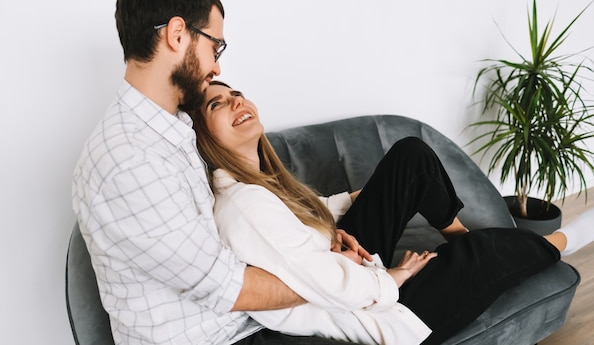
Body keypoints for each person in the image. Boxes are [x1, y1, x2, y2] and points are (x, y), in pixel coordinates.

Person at [72, 0, 356, 345]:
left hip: (245, 325)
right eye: (214, 46)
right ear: (177, 34)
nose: (217, 66)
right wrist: (334, 272)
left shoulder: (169, 129)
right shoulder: (129, 159)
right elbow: (230, 288)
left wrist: (324, 247)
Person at [189, 80, 594, 345]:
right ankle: (562, 240)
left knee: (409, 158)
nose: (235, 101)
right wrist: (393, 280)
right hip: (357, 310)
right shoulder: (243, 204)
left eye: (235, 93)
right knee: (482, 253)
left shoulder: (258, 184)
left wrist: (363, 196)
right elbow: (326, 284)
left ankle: (458, 233)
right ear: (205, 138)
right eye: (217, 105)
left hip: (343, 263)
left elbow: (298, 228)